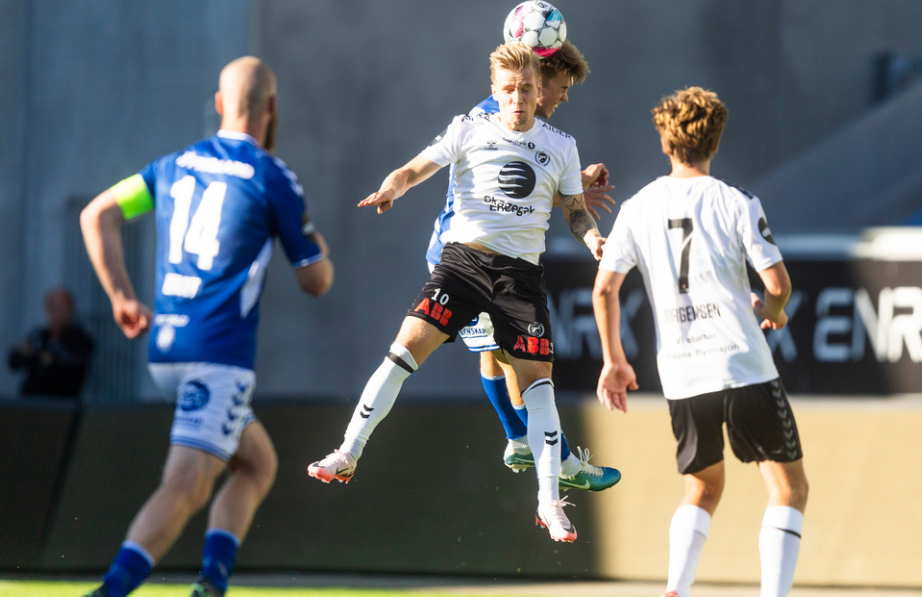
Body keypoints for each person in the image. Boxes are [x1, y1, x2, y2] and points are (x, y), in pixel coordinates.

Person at [309, 41, 603, 543]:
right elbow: (414, 169)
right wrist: (392, 188)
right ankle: (348, 452)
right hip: (462, 265)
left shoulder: (561, 145)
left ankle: (549, 501)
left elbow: (575, 209)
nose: (517, 99)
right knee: (402, 352)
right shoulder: (468, 127)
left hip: (520, 278)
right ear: (494, 90)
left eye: (527, 89)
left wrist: (595, 238)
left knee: (538, 387)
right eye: (508, 90)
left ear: (537, 91)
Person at [79, 56, 333, 597]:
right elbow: (315, 280)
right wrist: (317, 246)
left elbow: (97, 214)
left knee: (257, 462)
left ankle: (212, 584)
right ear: (271, 107)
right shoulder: (273, 177)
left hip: (166, 347)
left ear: (219, 104)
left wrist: (123, 297)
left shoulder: (172, 167)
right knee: (187, 485)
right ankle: (110, 591)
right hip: (217, 357)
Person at [592, 87, 808, 597]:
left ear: (665, 144)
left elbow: (605, 288)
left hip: (683, 371)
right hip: (742, 363)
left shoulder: (638, 207)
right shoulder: (734, 201)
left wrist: (614, 361)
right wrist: (771, 313)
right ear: (716, 140)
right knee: (788, 487)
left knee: (702, 487)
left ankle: (676, 588)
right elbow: (777, 286)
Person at [427, 39, 620, 492]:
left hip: (489, 255)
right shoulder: (490, 113)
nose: (565, 97)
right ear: (540, 80)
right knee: (516, 358)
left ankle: (517, 438)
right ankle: (559, 457)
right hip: (462, 254)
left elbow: (518, 181)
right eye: (562, 86)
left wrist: (572, 190)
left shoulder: (527, 124)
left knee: (498, 352)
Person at [7, 288, 94, 399]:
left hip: (61, 405)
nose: (56, 312)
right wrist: (41, 358)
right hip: (30, 402)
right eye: (53, 307)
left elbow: (59, 368)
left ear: (71, 310)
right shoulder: (39, 335)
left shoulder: (80, 340)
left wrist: (35, 357)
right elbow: (14, 361)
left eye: (61, 307)